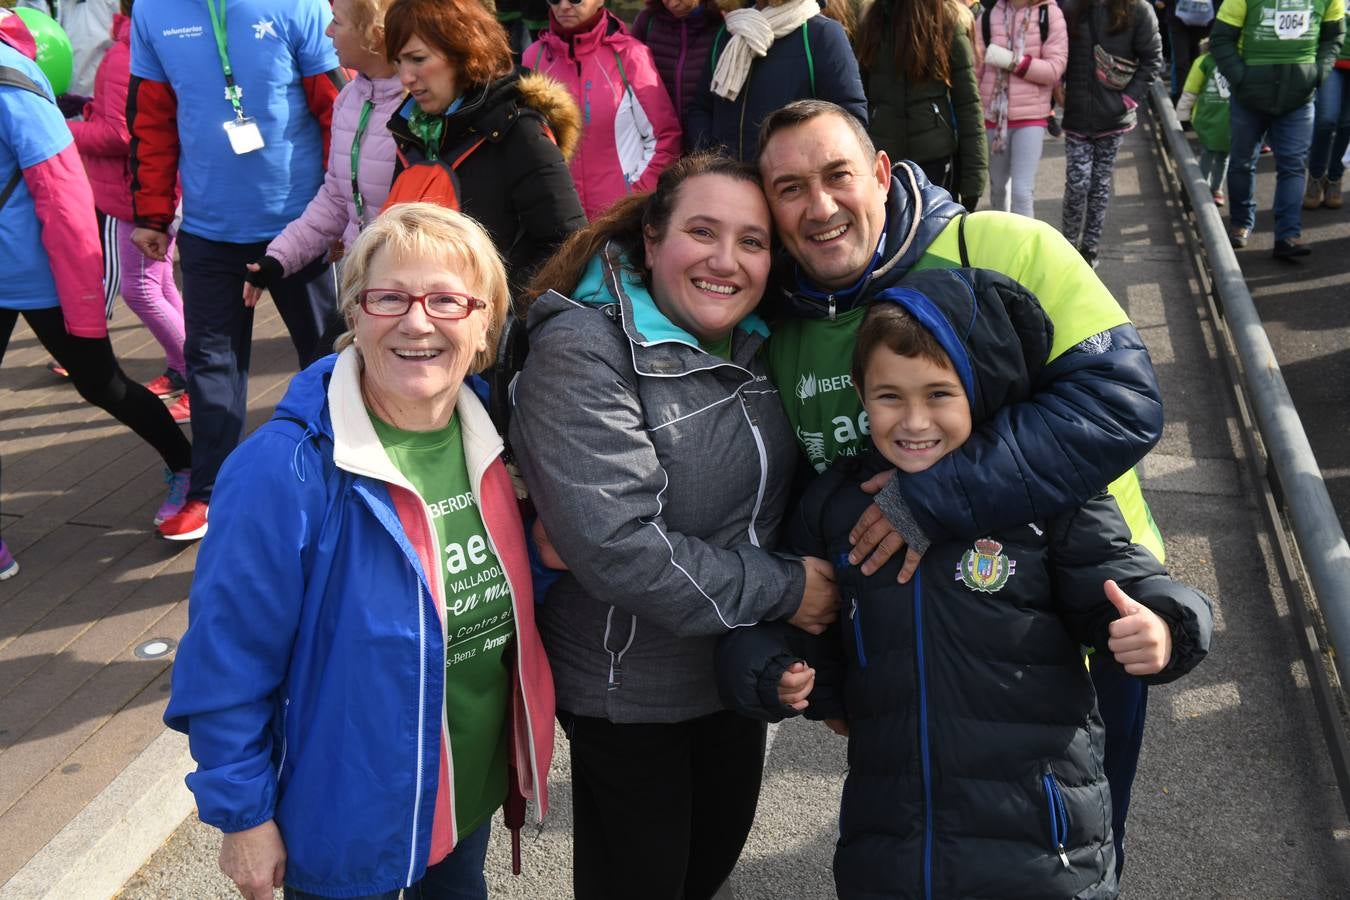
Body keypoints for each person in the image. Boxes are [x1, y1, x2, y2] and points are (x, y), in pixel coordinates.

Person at [754, 98, 1167, 873]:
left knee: (1072, 859)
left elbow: (1121, 402)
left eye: (839, 175)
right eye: (790, 188)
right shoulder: (778, 321)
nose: (821, 206)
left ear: (880, 173)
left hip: (1085, 620)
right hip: (913, 668)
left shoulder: (1003, 245)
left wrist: (932, 498)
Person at [716, 269, 1214, 899]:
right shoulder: (836, 507)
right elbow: (785, 622)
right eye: (889, 396)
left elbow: (1130, 579)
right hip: (893, 848)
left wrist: (1167, 624)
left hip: (1045, 852)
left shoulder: (1046, 500)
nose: (914, 420)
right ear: (860, 397)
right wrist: (772, 670)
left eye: (939, 395)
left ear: (978, 393)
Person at [163, 203, 555, 900]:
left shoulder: (498, 440)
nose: (416, 321)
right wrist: (243, 817)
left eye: (445, 300)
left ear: (484, 323)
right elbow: (227, 662)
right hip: (348, 817)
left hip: (469, 795)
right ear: (354, 311)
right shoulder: (283, 470)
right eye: (389, 297)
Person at [509, 153, 841, 900]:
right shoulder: (584, 351)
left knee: (707, 865)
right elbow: (620, 547)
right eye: (702, 231)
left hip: (736, 667)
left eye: (753, 241)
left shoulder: (762, 339)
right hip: (630, 688)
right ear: (651, 242)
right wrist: (788, 590)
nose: (726, 260)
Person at [127, 0, 348, 542]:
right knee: (211, 365)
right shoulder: (152, 11)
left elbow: (336, 111)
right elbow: (151, 120)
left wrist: (341, 213)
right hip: (209, 228)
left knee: (326, 357)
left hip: (300, 225)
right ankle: (212, 492)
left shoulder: (298, 4)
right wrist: (153, 213)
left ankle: (341, 476)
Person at [0, 8, 192, 573]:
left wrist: (85, 302)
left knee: (100, 383)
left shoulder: (9, 82)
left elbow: (63, 197)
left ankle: (186, 462)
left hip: (39, 274)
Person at [384, 0, 587, 293]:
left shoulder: (519, 130)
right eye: (398, 61)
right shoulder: (414, 132)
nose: (405, 77)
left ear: (462, 51)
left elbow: (568, 247)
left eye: (417, 59)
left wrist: (494, 310)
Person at [68, 0, 189, 420]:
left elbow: (120, 134)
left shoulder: (128, 52)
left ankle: (194, 373)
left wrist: (65, 128)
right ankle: (184, 368)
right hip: (145, 189)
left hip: (137, 192)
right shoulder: (131, 46)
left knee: (140, 289)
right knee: (159, 284)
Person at [243, 0, 403, 308]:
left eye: (337, 22)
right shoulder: (349, 100)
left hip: (407, 289)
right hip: (364, 284)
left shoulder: (420, 110)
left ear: (375, 36)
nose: (327, 31)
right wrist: (278, 259)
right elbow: (336, 197)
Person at [1209, 0, 1346, 256]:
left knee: (1293, 164)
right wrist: (1241, 78)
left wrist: (1317, 73)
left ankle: (1288, 235)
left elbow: (1334, 36)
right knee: (1241, 162)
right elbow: (1221, 39)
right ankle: (1240, 223)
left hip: (1299, 95)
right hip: (1250, 94)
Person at [524, 0, 681, 219]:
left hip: (619, 221)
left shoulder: (631, 56)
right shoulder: (533, 57)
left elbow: (665, 140)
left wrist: (632, 200)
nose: (564, 6)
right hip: (558, 219)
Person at [684, 0, 867, 163]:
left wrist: (796, 168)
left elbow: (849, 116)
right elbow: (701, 108)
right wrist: (713, 159)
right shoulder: (729, 32)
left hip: (789, 186)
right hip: (730, 186)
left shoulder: (822, 33)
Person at [856, 0, 988, 211]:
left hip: (935, 159)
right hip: (885, 158)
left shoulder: (947, 20)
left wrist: (973, 179)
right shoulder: (871, 20)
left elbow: (968, 105)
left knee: (936, 235)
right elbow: (859, 99)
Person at [1060, 0, 1162, 267]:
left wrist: (1126, 101)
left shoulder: (1137, 9)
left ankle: (1089, 249)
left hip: (1114, 117)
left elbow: (1152, 60)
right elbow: (1057, 53)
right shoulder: (1071, 7)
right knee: (1078, 183)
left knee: (1099, 185)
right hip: (1077, 114)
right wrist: (1054, 97)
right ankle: (1067, 246)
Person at [976, 0, 1069, 217]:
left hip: (1031, 117)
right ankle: (1002, 241)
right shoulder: (988, 17)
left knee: (1022, 191)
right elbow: (975, 71)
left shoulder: (1050, 15)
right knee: (998, 189)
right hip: (993, 118)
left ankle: (1024, 248)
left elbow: (1054, 69)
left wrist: (1012, 62)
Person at [631, 0, 725, 125]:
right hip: (658, 136)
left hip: (707, 138)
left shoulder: (724, 23)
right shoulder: (647, 21)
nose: (672, 4)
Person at [1176, 38, 1232, 205]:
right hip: (1208, 117)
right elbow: (1191, 90)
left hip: (1228, 117)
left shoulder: (1239, 60)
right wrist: (1182, 115)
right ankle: (1204, 188)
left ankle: (1215, 188)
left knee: (1222, 153)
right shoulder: (1204, 62)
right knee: (1211, 151)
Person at [1303, 37, 1350, 207]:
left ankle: (1335, 179)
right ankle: (1315, 177)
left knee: (1346, 124)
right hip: (1332, 58)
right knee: (1326, 120)